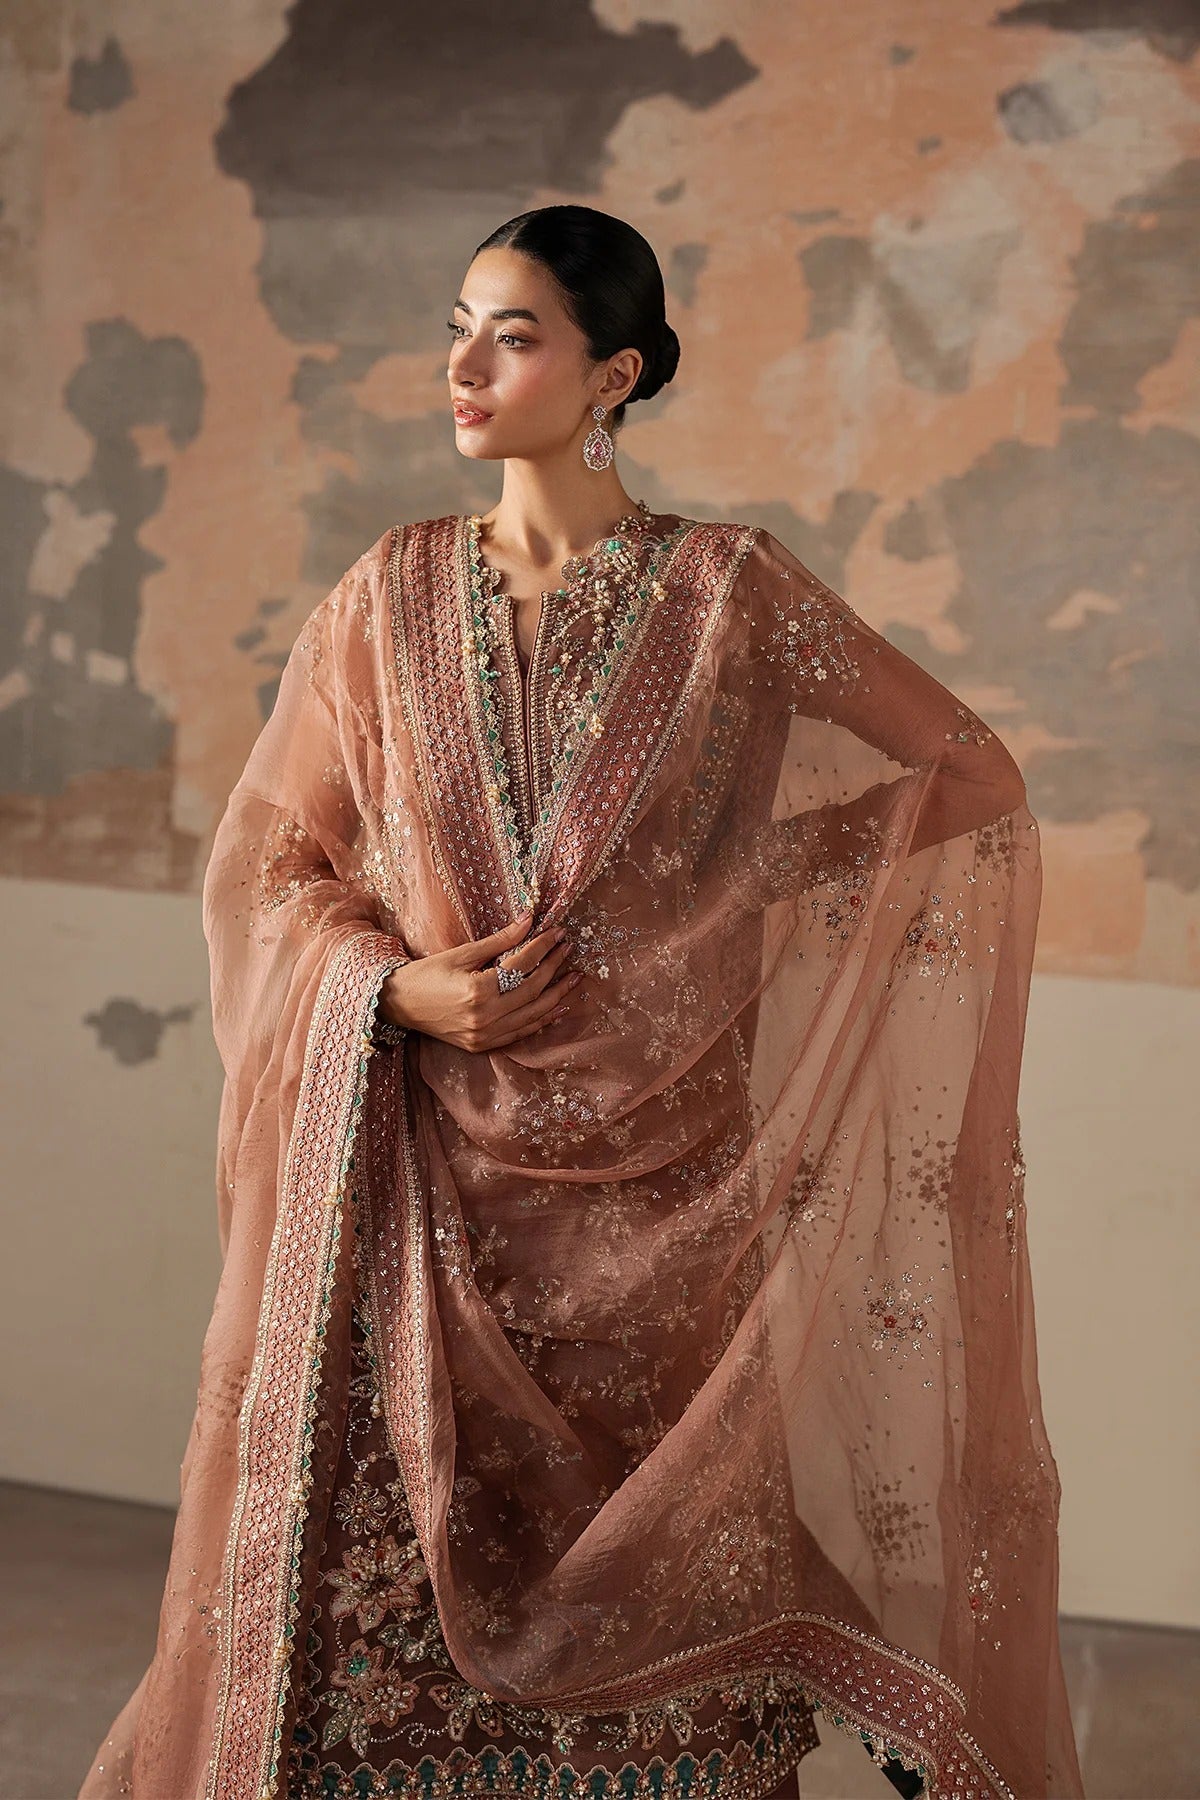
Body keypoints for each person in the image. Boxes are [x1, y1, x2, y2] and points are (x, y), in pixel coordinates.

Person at [79, 205, 1083, 1800]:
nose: (465, 367)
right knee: (386, 1639)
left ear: (615, 374)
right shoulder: (388, 596)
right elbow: (272, 867)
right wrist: (391, 987)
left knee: (659, 1637)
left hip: (667, 1218)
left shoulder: (730, 592)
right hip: (423, 1196)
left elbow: (969, 776)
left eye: (515, 335)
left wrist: (746, 874)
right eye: (457, 329)